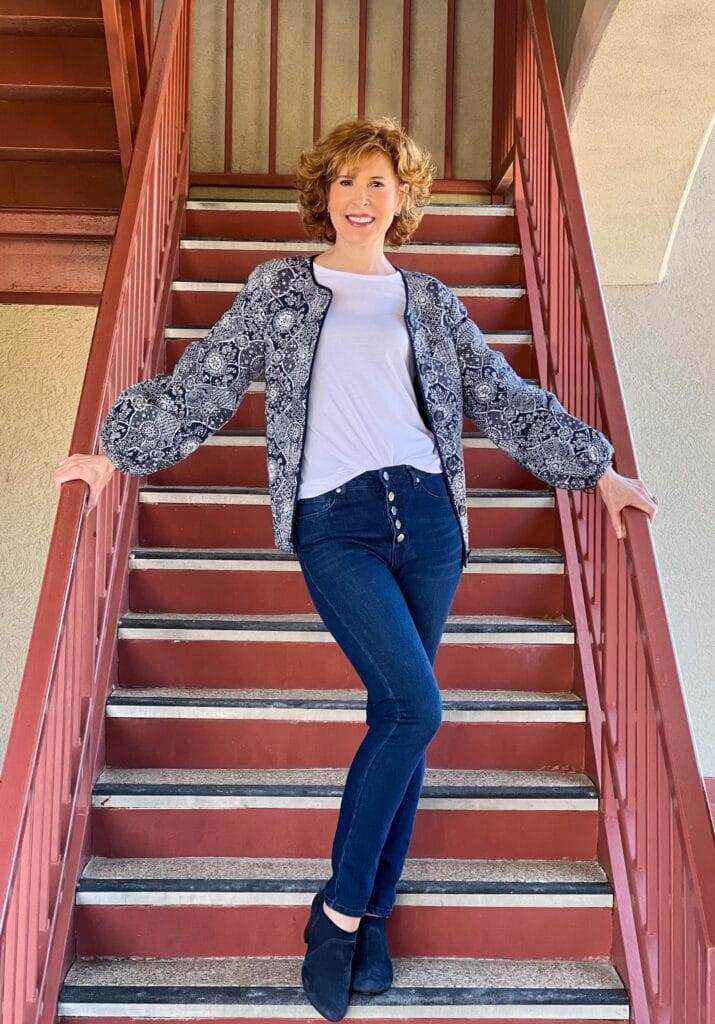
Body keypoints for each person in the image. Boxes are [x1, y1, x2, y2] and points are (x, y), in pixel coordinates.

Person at [54, 115, 658, 1022]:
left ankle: (369, 920)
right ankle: (336, 917)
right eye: (344, 182)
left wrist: (599, 472)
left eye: (379, 183)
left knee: (399, 721)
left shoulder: (428, 301)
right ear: (322, 196)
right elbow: (207, 378)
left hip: (428, 520)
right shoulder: (279, 290)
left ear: (403, 198)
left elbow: (502, 393)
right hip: (335, 523)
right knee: (416, 707)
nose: (361, 199)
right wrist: (115, 454)